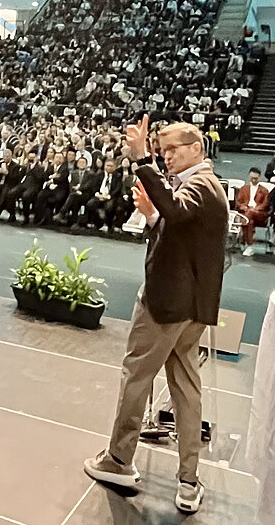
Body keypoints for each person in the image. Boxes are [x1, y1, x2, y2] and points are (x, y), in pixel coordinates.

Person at [84, 116, 228, 515]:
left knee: (137, 374)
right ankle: (187, 481)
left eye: (172, 151)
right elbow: (176, 231)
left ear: (197, 149)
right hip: (189, 307)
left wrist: (141, 159)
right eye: (162, 152)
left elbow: (177, 214)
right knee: (185, 390)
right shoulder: (197, 186)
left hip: (167, 305)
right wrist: (152, 216)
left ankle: (118, 460)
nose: (166, 159)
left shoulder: (202, 185)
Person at [234, 168, 270, 256]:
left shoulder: (264, 190)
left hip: (259, 214)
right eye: (252, 178)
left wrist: (255, 209)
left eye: (256, 178)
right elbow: (238, 202)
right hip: (246, 212)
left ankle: (243, 239)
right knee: (249, 221)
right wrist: (245, 208)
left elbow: (265, 204)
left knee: (248, 216)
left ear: (260, 178)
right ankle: (249, 245)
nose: (253, 180)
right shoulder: (243, 189)